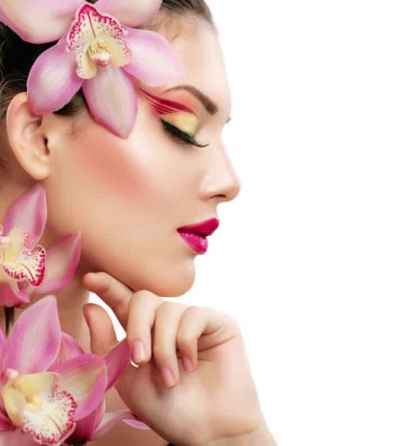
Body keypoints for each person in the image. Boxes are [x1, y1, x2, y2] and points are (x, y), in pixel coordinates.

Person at [0, 0, 276, 445]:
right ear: (37, 137)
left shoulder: (169, 420)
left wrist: (233, 438)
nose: (228, 182)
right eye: (182, 127)